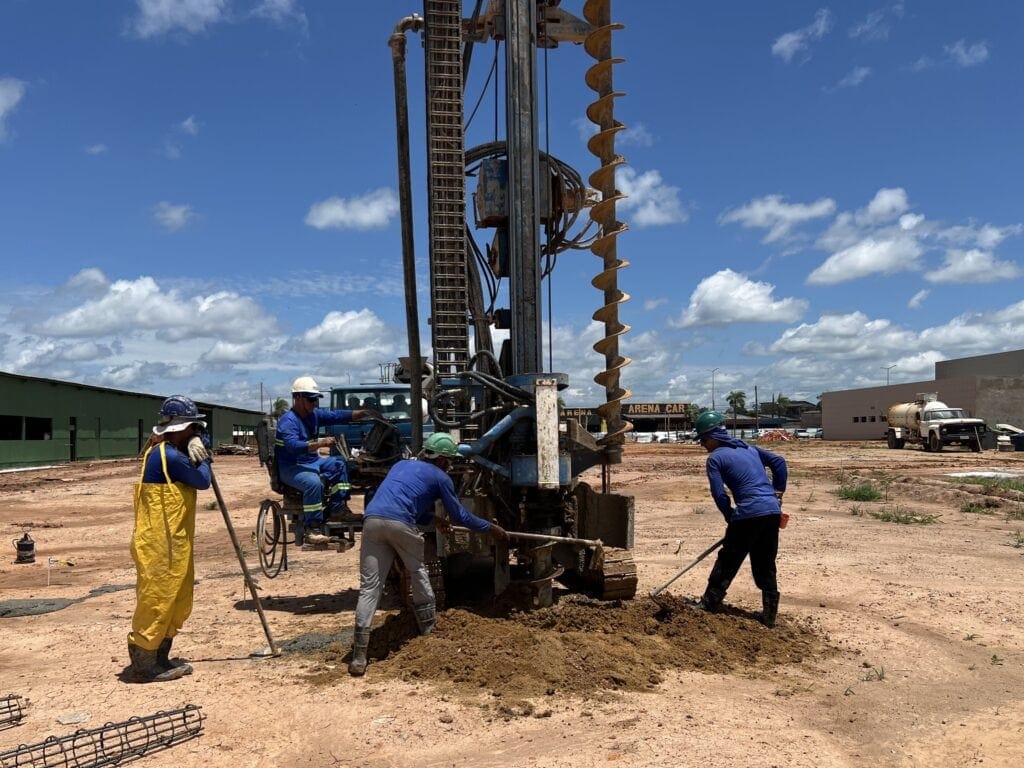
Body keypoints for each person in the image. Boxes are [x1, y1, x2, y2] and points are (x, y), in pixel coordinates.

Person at [348, 432, 509, 676]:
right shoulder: (442, 477)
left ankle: (359, 656)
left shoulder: (401, 465)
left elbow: (405, 502)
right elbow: (461, 517)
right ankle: (429, 632)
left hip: (372, 522)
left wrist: (434, 520)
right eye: (450, 460)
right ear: (444, 460)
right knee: (418, 571)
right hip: (400, 524)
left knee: (370, 587)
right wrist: (491, 528)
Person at [127, 395, 212, 683]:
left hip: (171, 541)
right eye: (193, 429)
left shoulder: (164, 451)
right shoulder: (171, 457)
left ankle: (159, 658)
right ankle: (145, 664)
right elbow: (203, 481)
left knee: (175, 599)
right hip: (160, 544)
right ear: (179, 427)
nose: (195, 433)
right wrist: (203, 455)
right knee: (158, 598)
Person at [694, 410, 787, 627]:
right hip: (772, 512)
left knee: (728, 559)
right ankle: (769, 616)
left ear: (714, 437)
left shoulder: (715, 458)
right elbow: (780, 463)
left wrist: (730, 516)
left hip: (748, 512)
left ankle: (708, 604)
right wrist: (778, 494)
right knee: (765, 561)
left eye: (703, 439)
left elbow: (719, 494)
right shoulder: (750, 449)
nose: (702, 445)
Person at [275, 376, 378, 541]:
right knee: (313, 483)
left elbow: (336, 415)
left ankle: (338, 509)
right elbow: (293, 447)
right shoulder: (288, 422)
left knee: (338, 464)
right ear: (298, 398)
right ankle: (313, 528)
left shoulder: (313, 414)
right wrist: (320, 443)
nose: (314, 403)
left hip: (311, 462)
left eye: (316, 400)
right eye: (310, 400)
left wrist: (362, 413)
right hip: (292, 467)